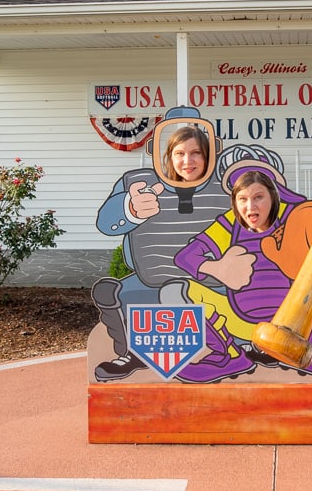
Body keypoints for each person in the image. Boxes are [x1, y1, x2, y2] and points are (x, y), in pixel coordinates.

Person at [171, 165, 312, 383]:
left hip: (293, 324)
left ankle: (311, 354)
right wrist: (218, 269)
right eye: (242, 199)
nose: (250, 206)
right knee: (174, 292)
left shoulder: (294, 218)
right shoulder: (228, 225)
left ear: (274, 197)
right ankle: (229, 356)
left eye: (258, 197)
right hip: (240, 320)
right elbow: (185, 258)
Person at [90, 113, 230, 381]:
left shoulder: (227, 187)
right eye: (179, 153)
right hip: (153, 282)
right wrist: (130, 210)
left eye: (196, 153)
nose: (187, 161)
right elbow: (106, 222)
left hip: (212, 285)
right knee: (119, 295)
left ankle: (234, 351)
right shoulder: (138, 184)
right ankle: (133, 353)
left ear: (210, 154)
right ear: (167, 155)